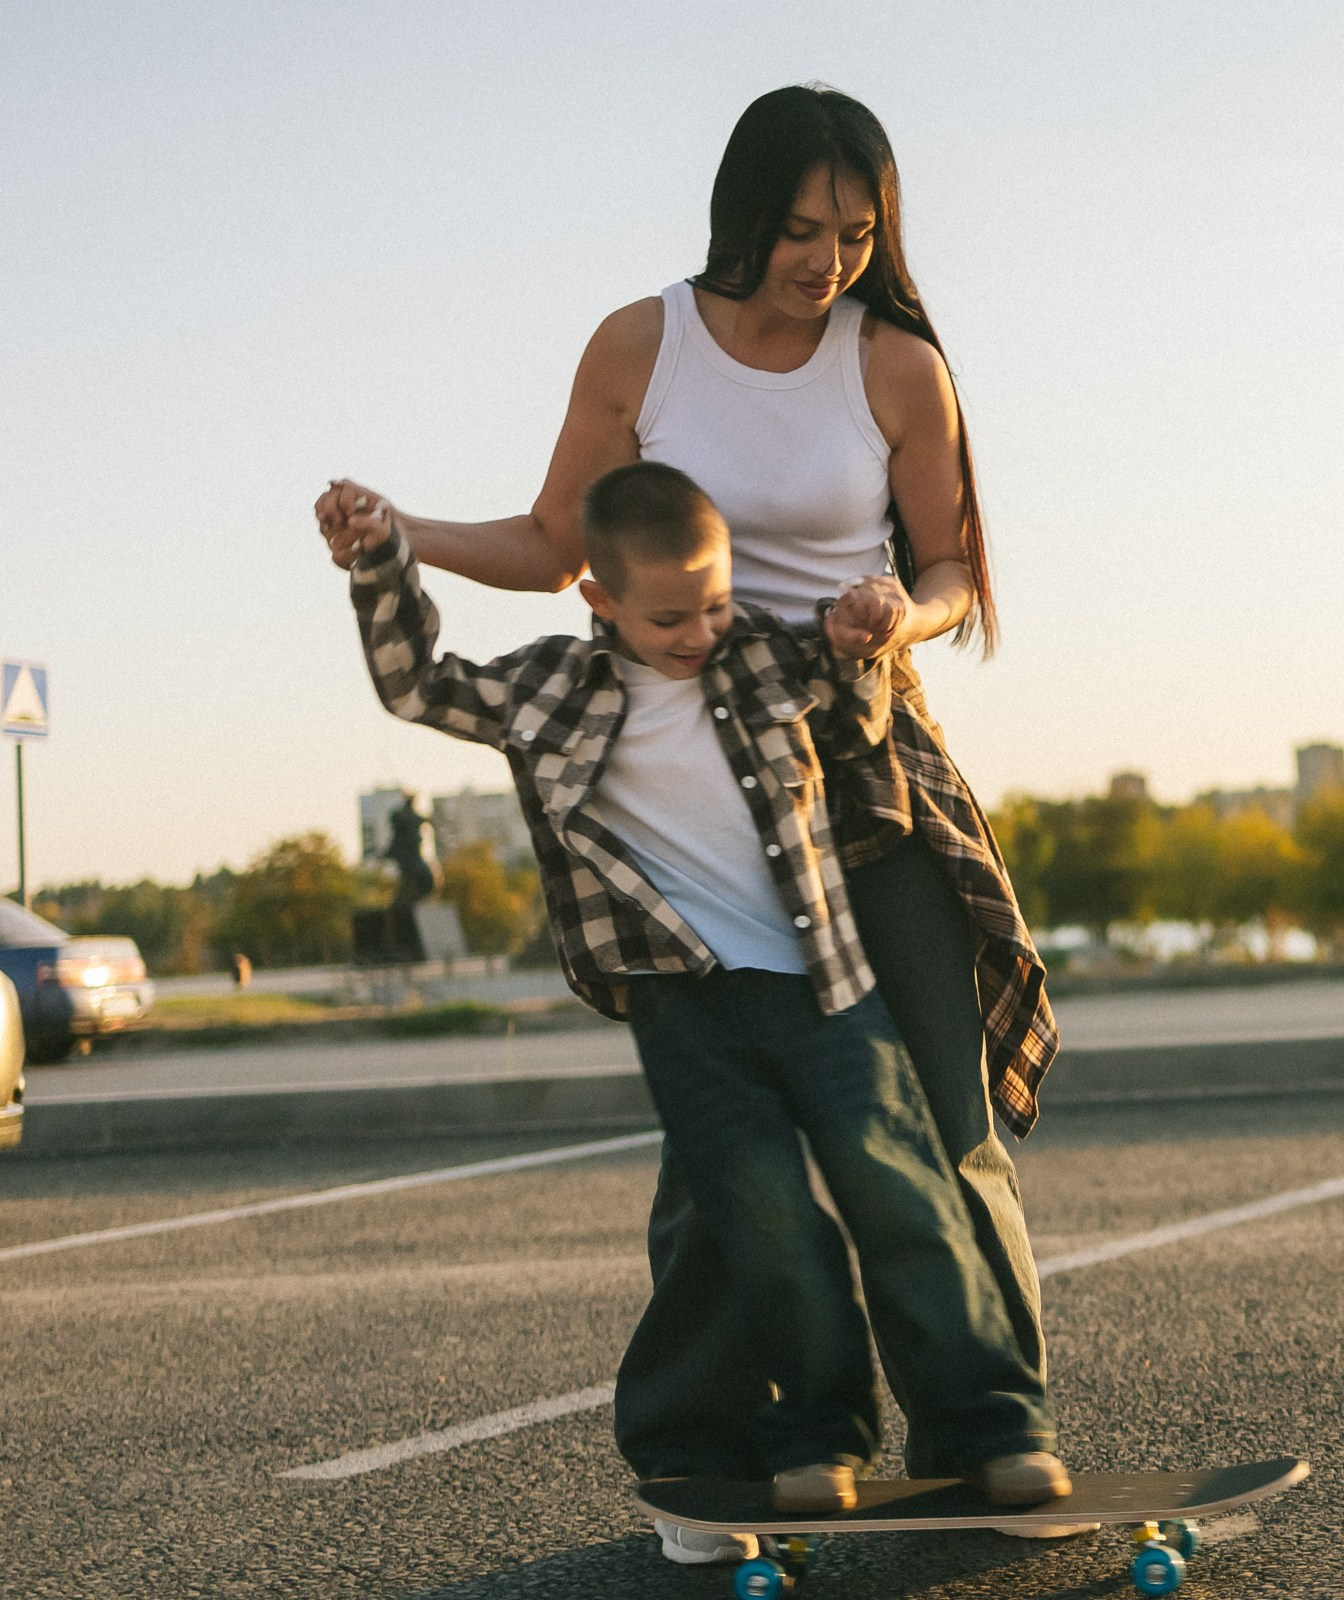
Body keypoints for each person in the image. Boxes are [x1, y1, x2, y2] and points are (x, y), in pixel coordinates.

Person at [313, 83, 1070, 1563]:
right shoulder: (639, 345)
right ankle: (729, 1459)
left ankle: (995, 1432)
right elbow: (550, 547)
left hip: (860, 751)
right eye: (801, 230)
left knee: (942, 1109)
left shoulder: (899, 365)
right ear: (743, 215)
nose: (828, 261)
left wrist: (889, 614)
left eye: (858, 234)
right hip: (687, 781)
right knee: (727, 1147)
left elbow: (956, 567)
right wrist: (400, 539)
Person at [331, 460, 1067, 1514]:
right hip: (686, 1009)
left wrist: (866, 634)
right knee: (768, 1228)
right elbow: (417, 685)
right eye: (669, 615)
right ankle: (820, 1441)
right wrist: (379, 563)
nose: (698, 631)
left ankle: (999, 1427)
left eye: (715, 603)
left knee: (905, 1199)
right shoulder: (548, 690)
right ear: (601, 600)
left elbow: (857, 708)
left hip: (826, 983)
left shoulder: (765, 655)